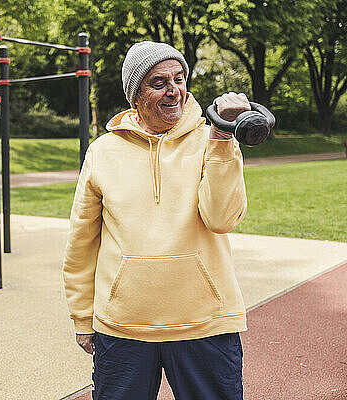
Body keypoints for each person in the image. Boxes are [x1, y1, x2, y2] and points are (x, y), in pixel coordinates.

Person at [62, 41, 250, 400]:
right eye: (158, 82)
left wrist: (223, 139)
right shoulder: (103, 151)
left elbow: (223, 218)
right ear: (135, 94)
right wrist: (82, 317)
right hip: (123, 325)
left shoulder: (213, 138)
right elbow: (82, 242)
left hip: (205, 322)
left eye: (179, 79)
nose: (173, 91)